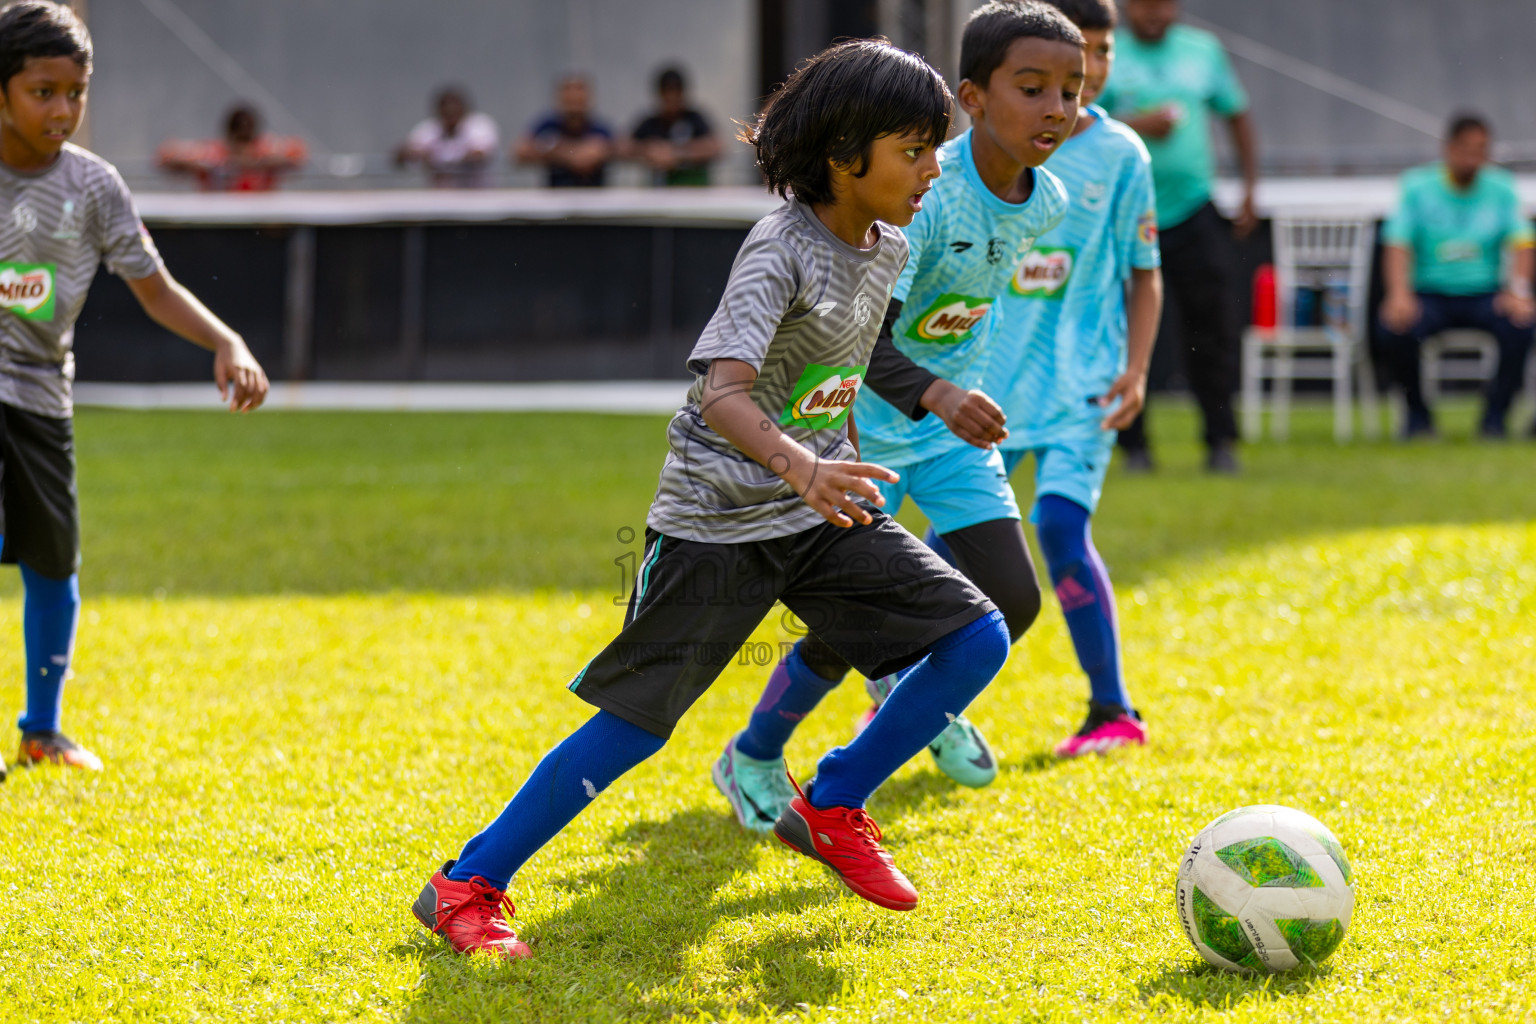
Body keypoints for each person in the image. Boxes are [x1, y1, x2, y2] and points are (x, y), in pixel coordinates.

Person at [412, 40, 1009, 959]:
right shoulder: (780, 248)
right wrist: (798, 465)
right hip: (717, 522)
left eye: (938, 149)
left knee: (977, 636)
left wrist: (834, 464)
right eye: (915, 150)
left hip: (820, 510)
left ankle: (835, 801)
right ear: (847, 152)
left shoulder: (886, 246)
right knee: (635, 728)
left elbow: (836, 375)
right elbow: (722, 391)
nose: (934, 169)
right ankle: (466, 886)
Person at [712, 0, 1081, 832]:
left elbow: (976, 307)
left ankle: (901, 708)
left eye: (1071, 89)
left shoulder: (1047, 199)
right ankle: (756, 753)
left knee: (1010, 604)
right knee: (853, 623)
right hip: (864, 436)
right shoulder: (925, 192)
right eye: (1033, 88)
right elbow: (863, 338)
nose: (1056, 108)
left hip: (948, 440)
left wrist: (975, 389)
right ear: (974, 98)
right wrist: (939, 392)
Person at [0, 1, 269, 780]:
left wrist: (226, 340)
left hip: (43, 399)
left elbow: (155, 289)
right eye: (41, 91)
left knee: (55, 566)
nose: (62, 109)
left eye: (75, 92)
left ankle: (41, 732)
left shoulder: (94, 186)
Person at [949, 0, 1161, 756]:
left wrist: (1135, 370)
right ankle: (916, 706)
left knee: (1062, 530)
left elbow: (1145, 273)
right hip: (989, 391)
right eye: (1082, 55)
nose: (1095, 71)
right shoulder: (983, 152)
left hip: (1082, 385)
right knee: (950, 553)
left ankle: (1113, 710)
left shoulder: (1124, 156)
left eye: (1102, 55)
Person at [1096, 0, 1256, 474]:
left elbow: (1238, 115)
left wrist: (1249, 188)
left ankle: (1220, 442)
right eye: (1145, 5)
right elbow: (1073, 122)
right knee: (1121, 330)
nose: (1155, 14)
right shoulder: (1103, 50)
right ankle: (1134, 447)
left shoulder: (1203, 50)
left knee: (1214, 329)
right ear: (1126, 7)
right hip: (1123, 213)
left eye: (1164, 4)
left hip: (1194, 209)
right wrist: (1136, 126)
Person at [1378, 113, 1535, 440]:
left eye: (1481, 150)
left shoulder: (1501, 187)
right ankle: (1418, 418)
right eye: (1467, 149)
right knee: (1393, 329)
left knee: (1522, 325)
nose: (1473, 159)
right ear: (1449, 148)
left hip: (1484, 293)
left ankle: (1494, 420)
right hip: (1431, 293)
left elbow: (1523, 241)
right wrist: (1398, 294)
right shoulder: (1417, 186)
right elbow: (1397, 243)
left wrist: (1518, 290)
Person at [156, 103, 306, 192]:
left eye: (247, 139)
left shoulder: (265, 150)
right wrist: (210, 166)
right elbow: (165, 155)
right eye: (238, 139)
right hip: (220, 222)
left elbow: (298, 154)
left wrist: (255, 164)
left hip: (261, 222)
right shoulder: (213, 153)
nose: (242, 147)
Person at [513, 74, 614, 188]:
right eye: (568, 92)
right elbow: (520, 152)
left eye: (579, 92)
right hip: (556, 196)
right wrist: (567, 153)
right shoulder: (547, 125)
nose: (574, 97)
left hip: (594, 194)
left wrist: (552, 148)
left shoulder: (600, 127)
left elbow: (612, 151)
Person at [626, 66, 721, 186]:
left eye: (675, 93)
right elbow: (623, 146)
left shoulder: (694, 119)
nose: (671, 99)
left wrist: (676, 153)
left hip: (694, 190)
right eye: (667, 93)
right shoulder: (652, 122)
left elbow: (717, 146)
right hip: (659, 190)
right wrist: (648, 150)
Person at [396, 86, 499, 188]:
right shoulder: (429, 128)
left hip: (477, 196)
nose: (450, 115)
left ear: (464, 109)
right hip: (440, 197)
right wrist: (412, 153)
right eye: (446, 112)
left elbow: (480, 155)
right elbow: (401, 155)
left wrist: (440, 162)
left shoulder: (479, 125)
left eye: (454, 111)